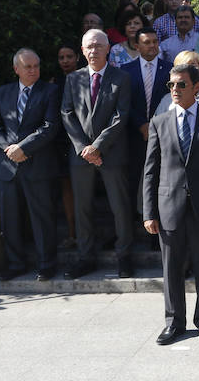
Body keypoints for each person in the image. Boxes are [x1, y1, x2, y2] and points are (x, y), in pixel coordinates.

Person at [143, 63, 199, 346]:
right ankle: (174, 323)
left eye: (181, 84)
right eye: (171, 85)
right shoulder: (160, 122)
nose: (174, 90)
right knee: (171, 270)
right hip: (169, 207)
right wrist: (148, 212)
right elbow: (151, 169)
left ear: (197, 87)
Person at [61, 29, 133, 279]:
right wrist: (84, 148)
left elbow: (121, 116)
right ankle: (85, 256)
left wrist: (98, 146)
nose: (93, 51)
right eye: (89, 47)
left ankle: (124, 256)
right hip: (81, 156)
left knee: (119, 206)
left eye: (98, 46)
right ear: (82, 51)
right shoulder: (73, 79)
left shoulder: (121, 78)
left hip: (111, 153)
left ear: (108, 49)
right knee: (82, 208)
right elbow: (67, 114)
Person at [0, 48, 61, 281]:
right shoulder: (4, 92)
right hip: (8, 167)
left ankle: (46, 264)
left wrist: (24, 148)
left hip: (37, 165)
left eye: (36, 66)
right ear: (16, 69)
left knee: (42, 218)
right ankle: (15, 264)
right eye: (28, 67)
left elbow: (50, 126)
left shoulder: (50, 91)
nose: (33, 70)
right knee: (10, 219)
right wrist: (11, 148)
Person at [120, 28, 171, 227]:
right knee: (133, 179)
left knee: (158, 179)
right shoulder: (126, 70)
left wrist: (155, 125)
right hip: (134, 134)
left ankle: (156, 227)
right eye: (147, 42)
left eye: (154, 42)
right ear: (137, 46)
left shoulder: (169, 69)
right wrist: (141, 124)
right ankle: (133, 223)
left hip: (162, 133)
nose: (152, 46)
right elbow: (124, 103)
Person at [53, 45, 79, 248]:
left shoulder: (84, 78)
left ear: (77, 57)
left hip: (84, 140)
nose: (65, 61)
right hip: (61, 141)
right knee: (67, 186)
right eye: (61, 57)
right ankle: (72, 232)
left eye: (69, 56)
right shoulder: (54, 84)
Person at [155, 51, 199, 115]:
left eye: (193, 65)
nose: (189, 69)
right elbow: (158, 124)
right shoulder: (167, 98)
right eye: (185, 66)